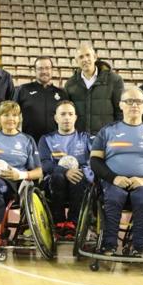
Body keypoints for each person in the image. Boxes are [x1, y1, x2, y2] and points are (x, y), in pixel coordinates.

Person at [90, 88, 143, 256]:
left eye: (138, 101)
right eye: (129, 101)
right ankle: (109, 245)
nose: (134, 105)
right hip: (113, 183)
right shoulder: (107, 131)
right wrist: (113, 178)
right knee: (114, 196)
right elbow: (95, 160)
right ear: (121, 105)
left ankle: (140, 246)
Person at [0, 100, 42, 246]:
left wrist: (21, 175)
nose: (11, 119)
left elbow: (38, 171)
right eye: (6, 115)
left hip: (14, 183)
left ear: (19, 119)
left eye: (14, 115)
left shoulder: (27, 140)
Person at [38, 101, 92, 239]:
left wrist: (78, 172)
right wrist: (64, 171)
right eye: (63, 114)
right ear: (56, 118)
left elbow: (95, 161)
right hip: (55, 183)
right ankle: (58, 222)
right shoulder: (46, 139)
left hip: (80, 184)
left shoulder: (86, 138)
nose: (67, 117)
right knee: (58, 177)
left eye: (70, 114)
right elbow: (44, 164)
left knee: (78, 177)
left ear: (75, 117)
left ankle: (73, 223)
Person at [65, 43, 124, 135]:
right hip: (79, 139)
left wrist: (116, 134)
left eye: (88, 55)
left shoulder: (114, 80)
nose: (85, 59)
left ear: (95, 57)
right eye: (81, 57)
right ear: (76, 61)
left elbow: (120, 111)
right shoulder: (70, 84)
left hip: (106, 138)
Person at [14, 56, 68, 143]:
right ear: (35, 71)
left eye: (47, 68)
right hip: (29, 142)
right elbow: (11, 114)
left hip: (55, 143)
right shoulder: (23, 90)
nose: (44, 72)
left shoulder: (61, 94)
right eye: (40, 68)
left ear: (52, 70)